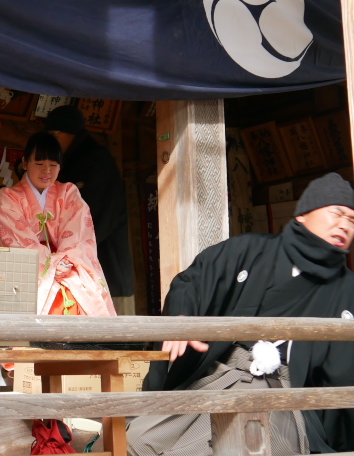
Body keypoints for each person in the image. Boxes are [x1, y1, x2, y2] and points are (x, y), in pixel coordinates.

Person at [127, 172, 354, 456]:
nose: (344, 224)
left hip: (284, 396)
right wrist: (181, 320)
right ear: (303, 215)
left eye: (352, 220)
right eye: (337, 213)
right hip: (218, 379)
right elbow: (194, 280)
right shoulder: (250, 250)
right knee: (139, 440)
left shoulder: (347, 291)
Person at [0, 132, 115, 317]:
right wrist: (51, 264)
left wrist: (64, 262)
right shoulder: (9, 197)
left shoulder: (69, 192)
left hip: (68, 263)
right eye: (39, 164)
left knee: (82, 288)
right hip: (28, 267)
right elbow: (17, 239)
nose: (46, 171)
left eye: (53, 165)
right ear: (25, 163)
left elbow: (78, 235)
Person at [44, 105, 134, 310]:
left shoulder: (97, 164)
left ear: (70, 133)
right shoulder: (70, 162)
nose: (52, 142)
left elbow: (96, 222)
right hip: (73, 269)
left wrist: (67, 255)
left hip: (103, 269)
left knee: (112, 335)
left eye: (54, 135)